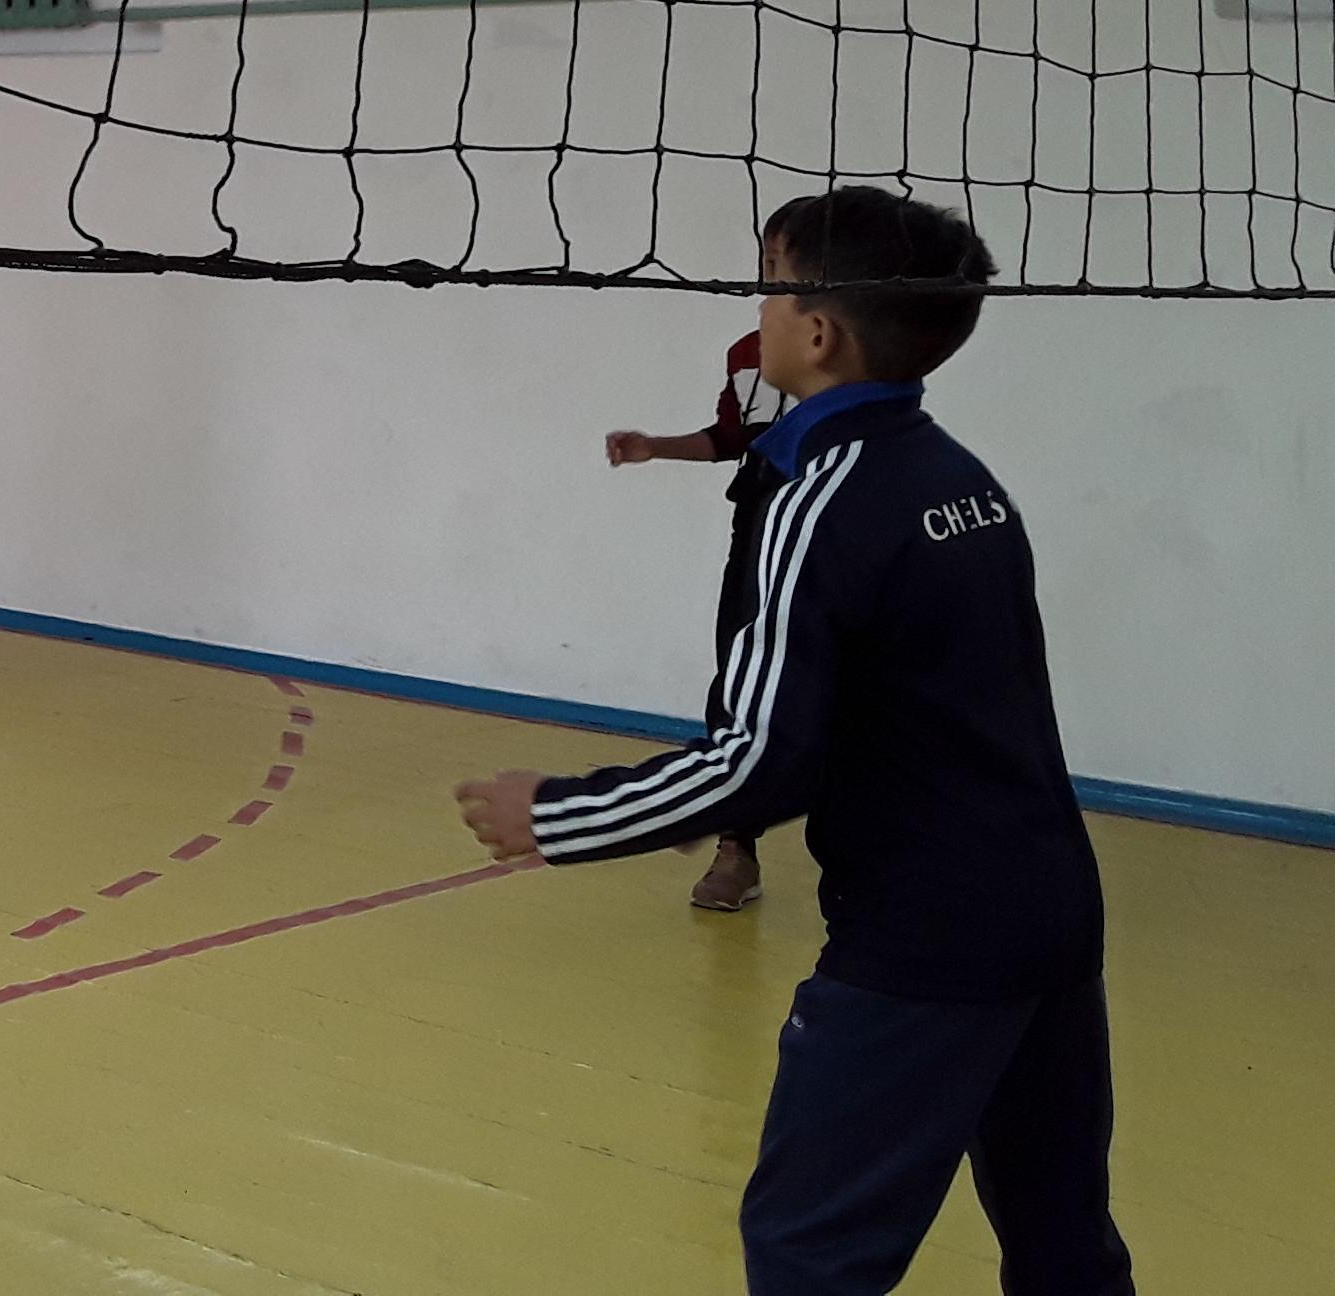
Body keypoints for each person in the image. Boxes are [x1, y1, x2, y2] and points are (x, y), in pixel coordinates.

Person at [456, 188, 1128, 1296]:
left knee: (809, 1257)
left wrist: (560, 813)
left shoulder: (822, 501)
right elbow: (900, 711)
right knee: (1064, 1245)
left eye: (769, 285)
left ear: (817, 334)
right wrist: (717, 800)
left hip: (926, 941)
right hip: (1051, 913)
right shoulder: (960, 479)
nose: (756, 308)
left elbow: (760, 755)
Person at [604, 212, 794, 913]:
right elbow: (730, 437)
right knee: (741, 676)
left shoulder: (864, 352)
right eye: (768, 262)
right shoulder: (748, 352)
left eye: (789, 262)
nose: (774, 276)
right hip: (759, 524)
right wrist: (655, 446)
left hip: (834, 527)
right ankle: (735, 846)